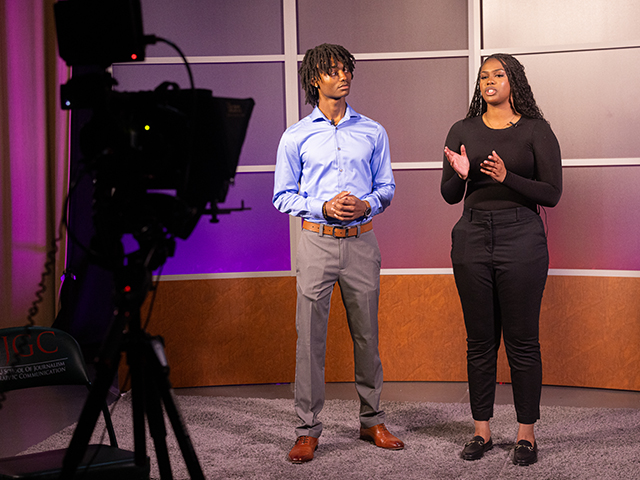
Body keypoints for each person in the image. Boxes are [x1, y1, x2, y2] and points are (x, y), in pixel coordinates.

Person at [273, 43, 403, 464]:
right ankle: (307, 430)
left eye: (346, 68)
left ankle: (372, 422)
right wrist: (322, 206)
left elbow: (386, 187)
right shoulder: (295, 136)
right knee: (309, 340)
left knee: (368, 336)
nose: (343, 76)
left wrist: (367, 204)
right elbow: (282, 196)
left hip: (363, 242)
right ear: (315, 79)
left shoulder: (373, 131)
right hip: (315, 242)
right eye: (333, 70)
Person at [441, 53, 562, 466]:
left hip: (521, 237)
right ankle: (481, 431)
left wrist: (506, 177)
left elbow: (552, 193)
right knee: (480, 340)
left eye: (498, 74)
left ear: (514, 83)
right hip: (472, 235)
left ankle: (526, 434)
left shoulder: (535, 130)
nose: (489, 80)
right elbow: (449, 196)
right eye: (483, 76)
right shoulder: (462, 129)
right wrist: (459, 173)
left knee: (522, 341)